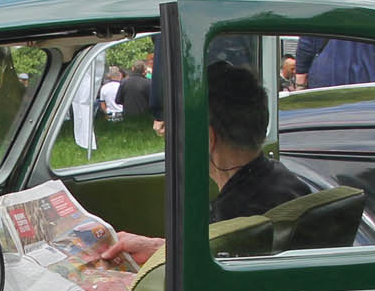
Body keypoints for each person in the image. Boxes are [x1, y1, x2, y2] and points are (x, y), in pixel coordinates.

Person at [100, 62, 314, 265]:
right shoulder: (284, 181)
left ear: (208, 138)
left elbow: (200, 273)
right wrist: (157, 248)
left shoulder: (233, 224)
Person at [295, 34, 375, 87]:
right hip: (369, 87)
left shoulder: (322, 1)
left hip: (325, 83)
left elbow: (306, 46)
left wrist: (300, 82)